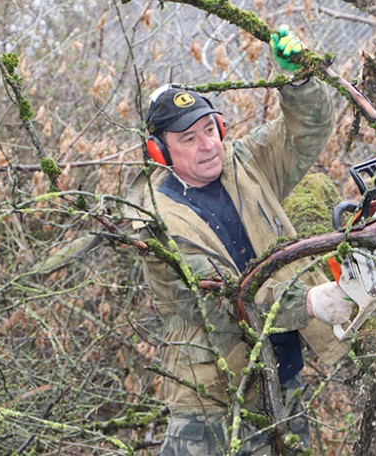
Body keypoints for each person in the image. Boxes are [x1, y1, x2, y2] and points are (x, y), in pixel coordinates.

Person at [128, 25, 354, 455]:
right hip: (212, 402)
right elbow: (225, 300)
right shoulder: (157, 224)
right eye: (188, 139)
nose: (207, 146)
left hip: (282, 379)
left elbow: (305, 133)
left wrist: (300, 81)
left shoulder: (246, 163)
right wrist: (307, 303)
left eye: (209, 130)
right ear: (160, 151)